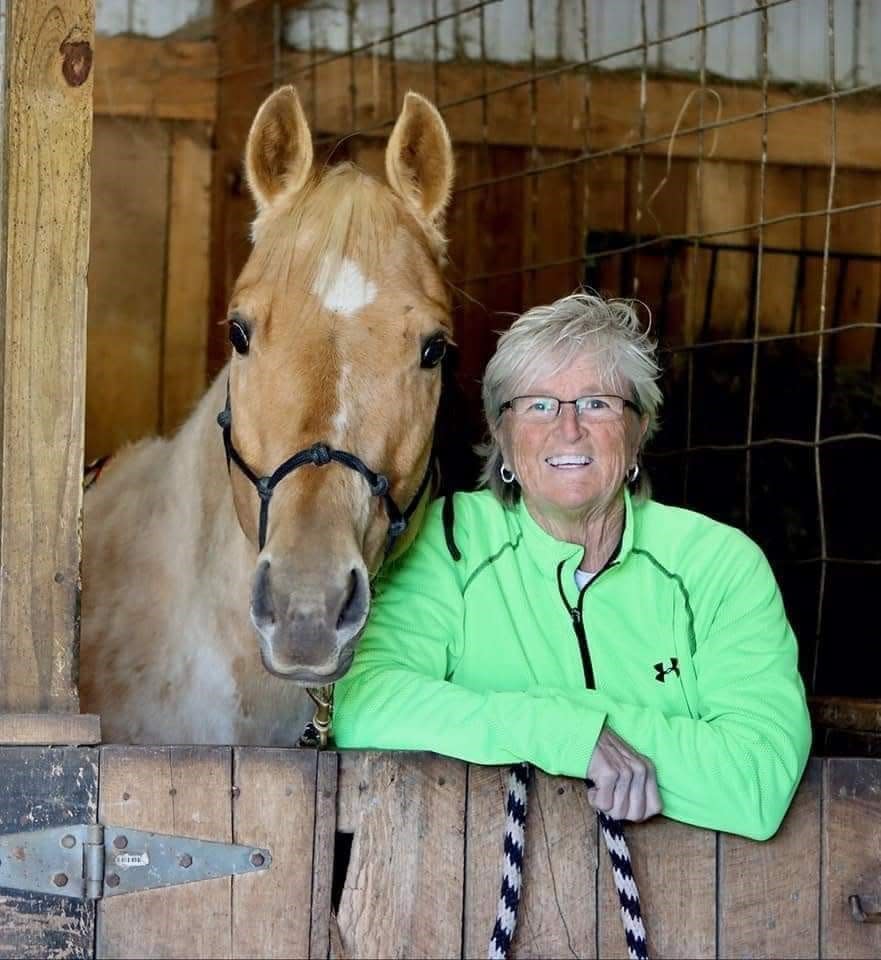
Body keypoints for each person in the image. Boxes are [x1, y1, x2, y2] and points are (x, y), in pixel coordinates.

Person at [334, 291, 811, 840]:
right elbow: (362, 706)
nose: (568, 429)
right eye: (538, 404)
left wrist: (541, 729)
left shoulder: (719, 566)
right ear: (502, 435)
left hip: (702, 904)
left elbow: (757, 778)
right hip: (472, 891)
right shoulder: (448, 544)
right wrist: (569, 735)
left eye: (597, 403)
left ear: (639, 429)